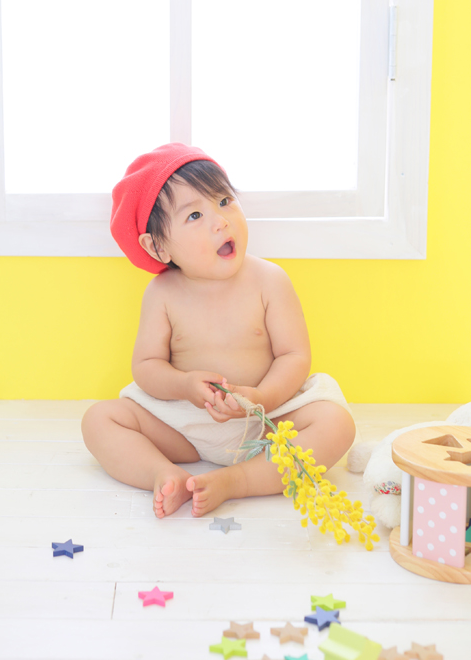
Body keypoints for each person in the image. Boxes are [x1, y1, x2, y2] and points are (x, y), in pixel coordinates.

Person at [81, 143, 356, 519]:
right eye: (195, 215)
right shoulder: (162, 293)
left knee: (336, 424)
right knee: (99, 420)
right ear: (158, 246)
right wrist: (184, 385)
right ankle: (163, 474)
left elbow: (294, 355)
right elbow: (146, 366)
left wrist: (262, 398)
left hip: (265, 421)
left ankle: (238, 480)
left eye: (225, 201)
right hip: (184, 425)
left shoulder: (269, 280)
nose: (221, 220)